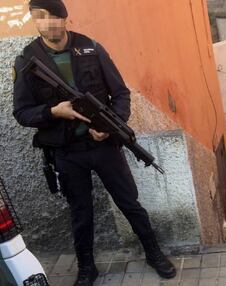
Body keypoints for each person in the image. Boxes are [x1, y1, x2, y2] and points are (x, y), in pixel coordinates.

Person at [12, 0, 176, 285]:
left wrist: (112, 127)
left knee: (129, 203)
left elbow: (121, 94)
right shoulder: (27, 60)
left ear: (64, 19)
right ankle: (87, 267)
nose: (48, 23)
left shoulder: (90, 48)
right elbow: (22, 112)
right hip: (66, 152)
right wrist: (53, 112)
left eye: (54, 17)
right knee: (80, 212)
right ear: (35, 22)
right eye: (40, 18)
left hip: (103, 147)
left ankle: (153, 252)